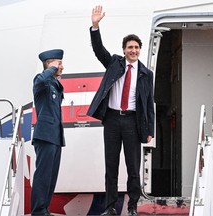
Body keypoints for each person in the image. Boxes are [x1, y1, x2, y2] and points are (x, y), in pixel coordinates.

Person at [87, 6, 155, 216]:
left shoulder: (146, 73)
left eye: (136, 47)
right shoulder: (114, 63)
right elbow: (99, 50)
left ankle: (132, 206)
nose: (133, 50)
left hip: (133, 122)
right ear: (124, 49)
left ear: (139, 50)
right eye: (130, 47)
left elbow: (149, 104)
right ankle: (110, 207)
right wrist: (95, 26)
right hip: (113, 120)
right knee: (111, 166)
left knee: (133, 168)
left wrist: (150, 130)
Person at [31, 49, 65, 216]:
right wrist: (51, 68)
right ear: (50, 64)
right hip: (44, 135)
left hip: (56, 136)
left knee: (51, 176)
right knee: (43, 175)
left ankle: (44, 209)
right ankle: (38, 210)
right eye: (59, 63)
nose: (62, 67)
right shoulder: (41, 81)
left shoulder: (54, 84)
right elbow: (40, 81)